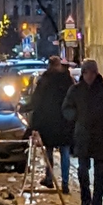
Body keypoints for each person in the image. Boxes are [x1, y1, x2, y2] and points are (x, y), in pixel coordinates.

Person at [64, 58, 103, 205]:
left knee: (100, 175)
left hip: (101, 137)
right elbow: (67, 108)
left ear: (96, 73)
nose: (90, 76)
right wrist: (75, 118)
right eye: (87, 72)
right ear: (83, 73)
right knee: (83, 172)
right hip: (83, 137)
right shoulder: (75, 90)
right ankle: (85, 201)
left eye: (92, 72)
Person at [26, 55, 73, 192]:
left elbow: (37, 101)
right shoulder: (67, 80)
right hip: (65, 121)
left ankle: (49, 178)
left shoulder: (45, 80)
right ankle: (64, 183)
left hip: (49, 121)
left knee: (50, 151)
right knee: (64, 152)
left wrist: (34, 121)